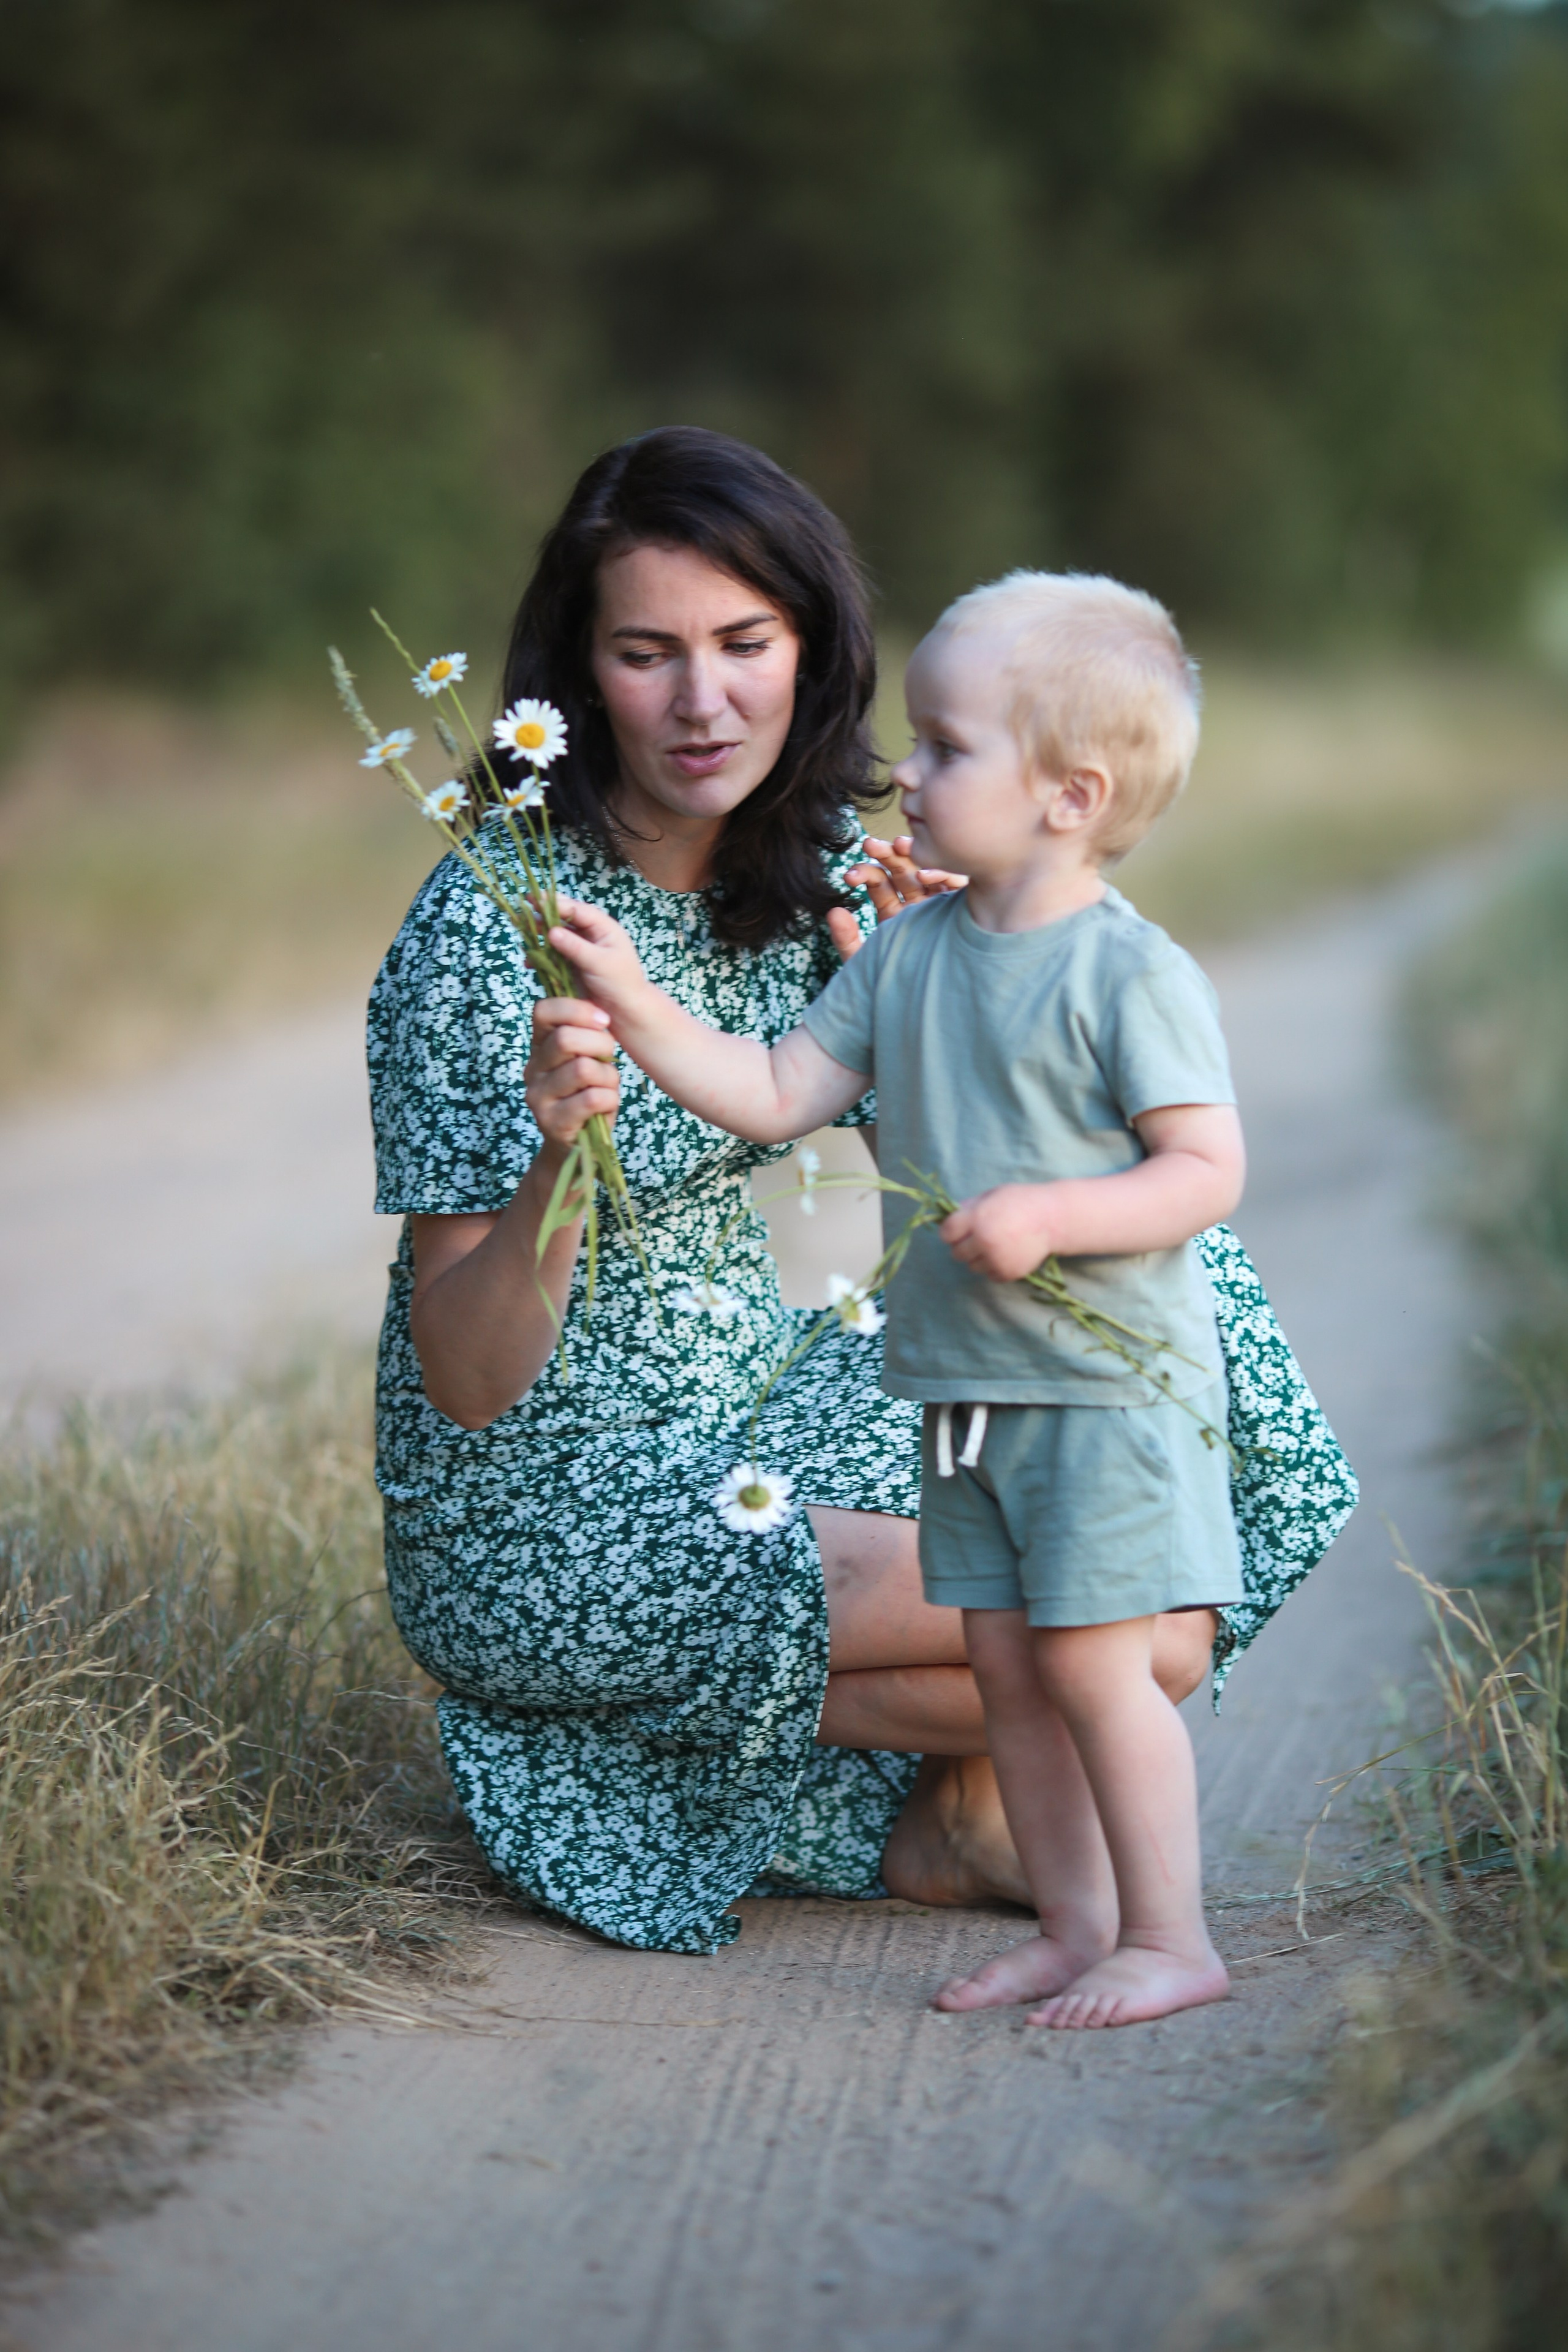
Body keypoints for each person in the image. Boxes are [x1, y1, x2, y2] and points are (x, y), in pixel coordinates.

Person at [368, 428, 1355, 1958]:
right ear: (577, 674)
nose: (704, 703)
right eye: (646, 654)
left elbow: (907, 1210)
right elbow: (465, 1376)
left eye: (743, 644)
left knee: (1168, 1322)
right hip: (559, 1511)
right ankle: (669, 1738)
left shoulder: (832, 864)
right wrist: (563, 1172)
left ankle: (941, 1813)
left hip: (759, 1409)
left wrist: (949, 1013)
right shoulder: (490, 929)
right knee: (1133, 1626)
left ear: (815, 649)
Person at [549, 567, 1271, 2026]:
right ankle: (1073, 1925)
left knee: (1089, 1660)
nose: (905, 772)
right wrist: (632, 1003)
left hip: (1101, 1388)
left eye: (945, 748)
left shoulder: (1124, 972)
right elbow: (769, 1094)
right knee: (1004, 1664)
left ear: (1067, 796)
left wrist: (1058, 1212)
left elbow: (1203, 1170)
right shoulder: (910, 956)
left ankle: (1168, 1935)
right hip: (962, 1393)